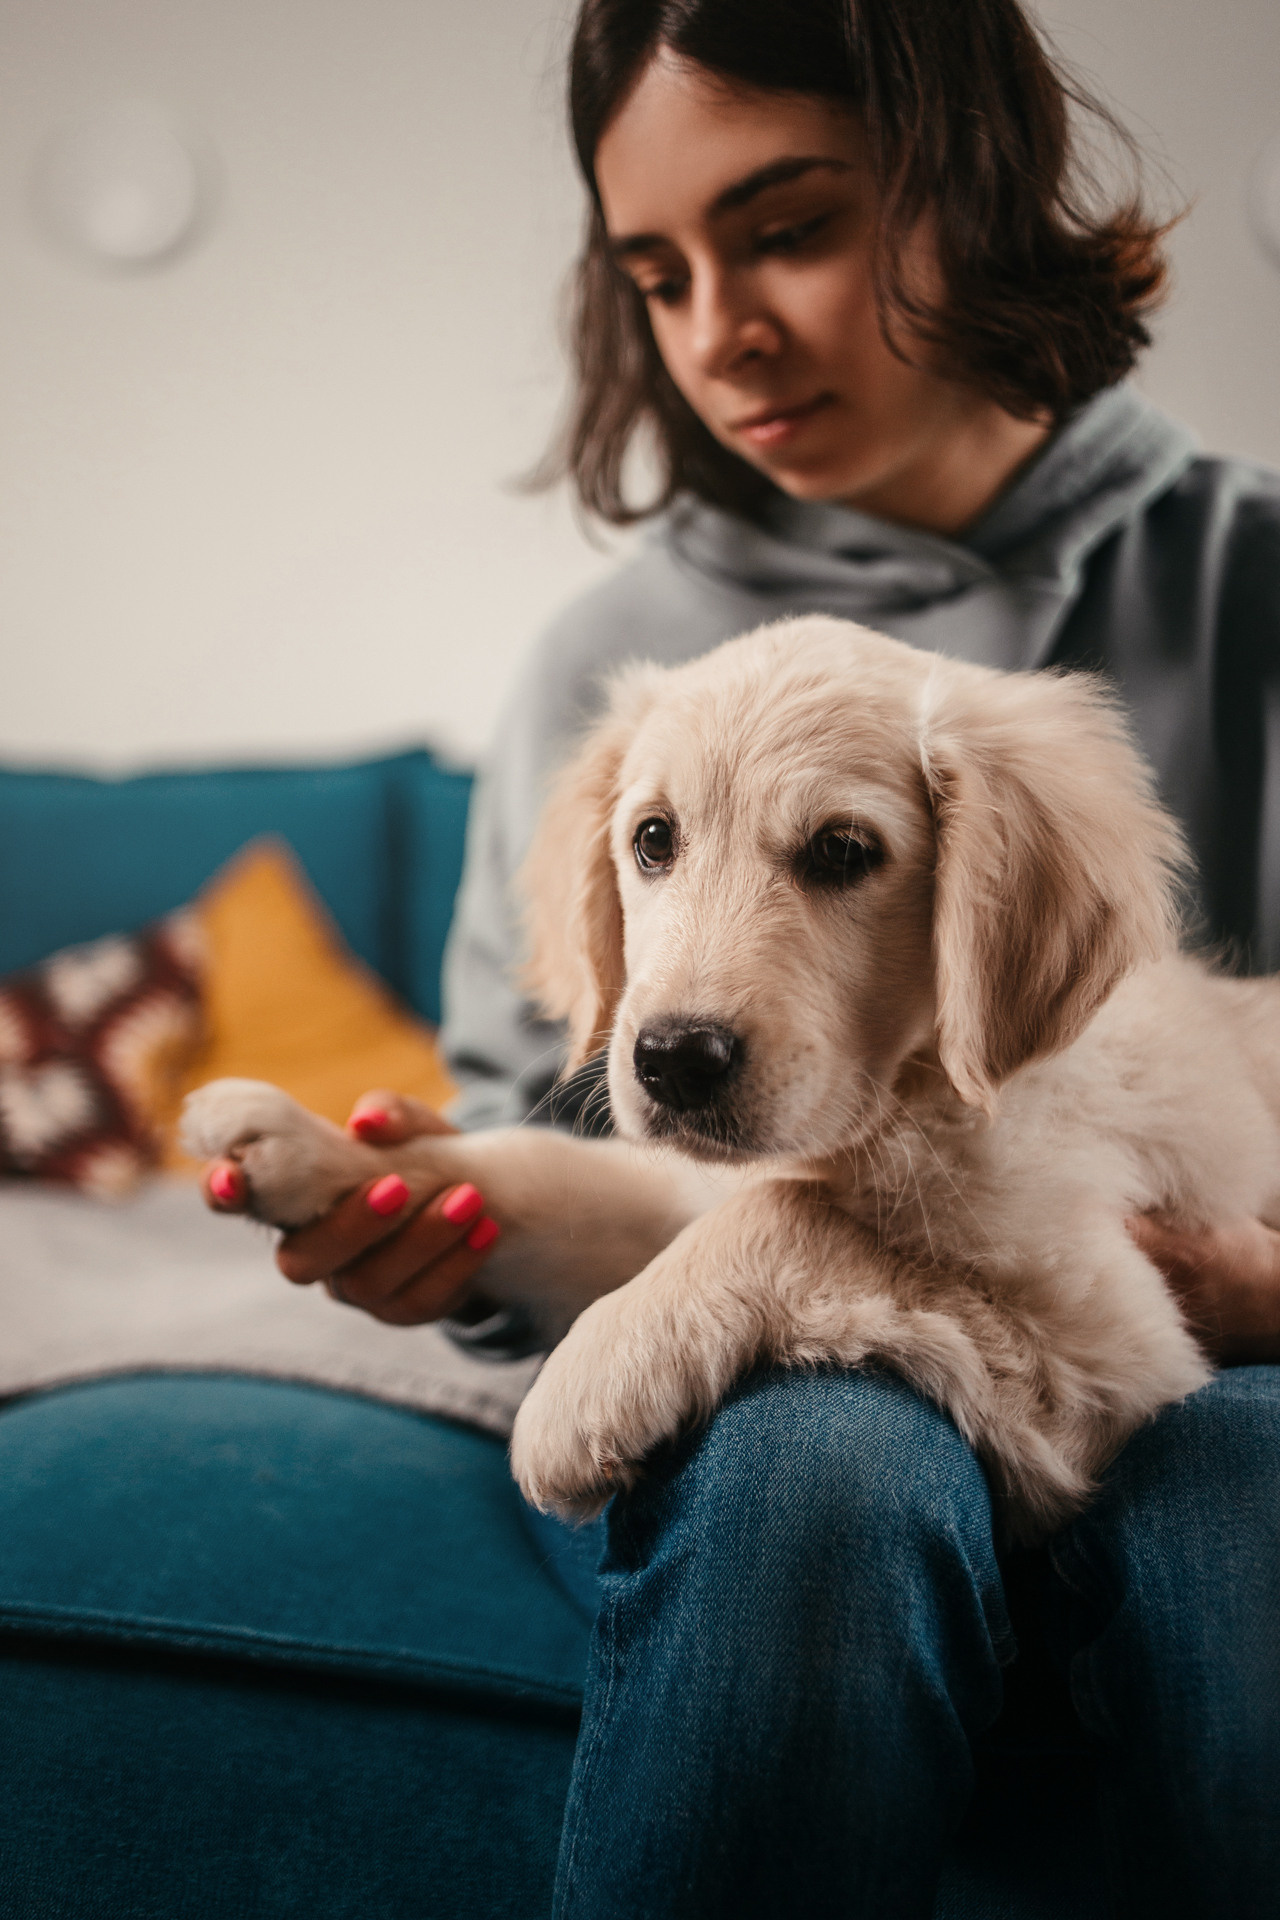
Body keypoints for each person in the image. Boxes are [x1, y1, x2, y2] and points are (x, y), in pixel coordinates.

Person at [205, 1, 1280, 1912]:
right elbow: (574, 1100)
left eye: (786, 226)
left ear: (968, 188)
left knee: (1238, 1506)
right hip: (742, 1349)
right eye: (657, 270)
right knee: (814, 1472)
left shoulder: (1249, 581)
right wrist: (438, 1223)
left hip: (1222, 1324)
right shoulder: (607, 665)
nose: (717, 330)